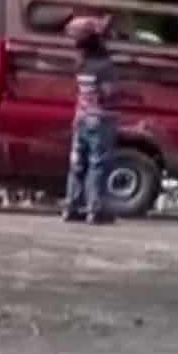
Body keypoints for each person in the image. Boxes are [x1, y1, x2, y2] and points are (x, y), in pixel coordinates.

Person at [62, 16, 116, 225]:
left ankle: (70, 207)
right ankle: (95, 210)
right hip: (100, 118)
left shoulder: (80, 63)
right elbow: (107, 93)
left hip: (81, 117)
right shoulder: (104, 65)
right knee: (97, 164)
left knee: (77, 164)